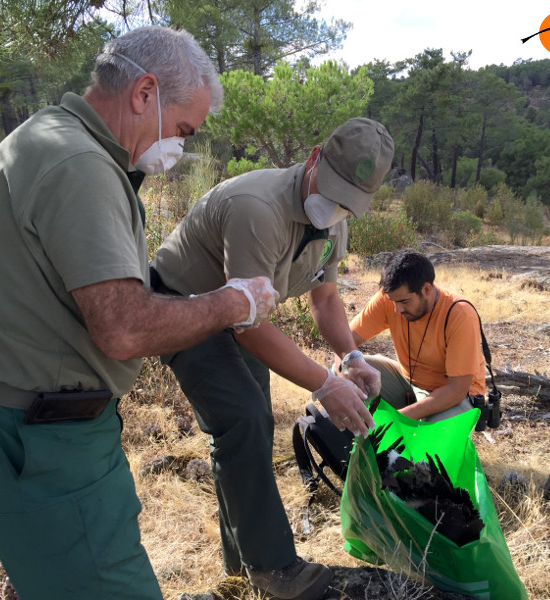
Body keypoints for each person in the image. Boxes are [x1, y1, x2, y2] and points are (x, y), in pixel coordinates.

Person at [0, 26, 279, 600]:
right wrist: (235, 301)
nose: (178, 146)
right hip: (44, 444)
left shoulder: (46, 138)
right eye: (182, 129)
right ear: (144, 93)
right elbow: (124, 327)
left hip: (28, 426)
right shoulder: (80, 164)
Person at [151, 117, 395, 599]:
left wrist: (351, 357)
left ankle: (240, 562)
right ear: (311, 158)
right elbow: (246, 327)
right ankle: (272, 568)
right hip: (181, 307)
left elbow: (324, 300)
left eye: (349, 200)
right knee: (241, 418)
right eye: (332, 190)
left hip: (237, 317)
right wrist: (323, 384)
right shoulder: (257, 208)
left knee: (252, 426)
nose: (335, 206)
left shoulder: (333, 223)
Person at [335, 249, 486, 423]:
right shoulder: (390, 298)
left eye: (404, 302)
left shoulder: (459, 314)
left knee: (429, 441)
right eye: (393, 301)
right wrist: (346, 384)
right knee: (343, 367)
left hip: (455, 395)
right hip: (407, 381)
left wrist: (398, 419)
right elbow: (345, 341)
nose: (397, 310)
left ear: (427, 289)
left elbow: (457, 390)